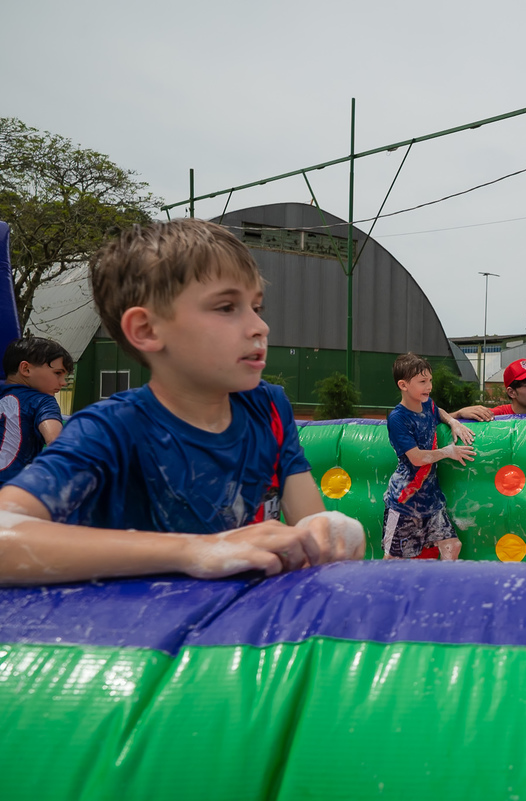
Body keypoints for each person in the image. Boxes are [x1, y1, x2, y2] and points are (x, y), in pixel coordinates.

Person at [0, 219, 363, 587]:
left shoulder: (268, 408)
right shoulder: (112, 429)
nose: (259, 327)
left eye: (256, 307)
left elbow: (309, 528)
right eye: (226, 307)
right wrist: (195, 551)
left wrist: (328, 533)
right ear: (147, 330)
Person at [382, 352, 476, 560]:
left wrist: (453, 421)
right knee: (394, 559)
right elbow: (416, 458)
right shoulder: (398, 418)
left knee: (452, 546)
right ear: (403, 385)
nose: (429, 386)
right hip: (404, 500)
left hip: (430, 498)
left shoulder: (426, 404)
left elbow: (438, 410)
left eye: (430, 380)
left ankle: (442, 590)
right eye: (422, 381)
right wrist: (448, 452)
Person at [0, 336, 74, 486]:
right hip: (13, 491)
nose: (63, 382)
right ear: (26, 369)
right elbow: (57, 442)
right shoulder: (42, 401)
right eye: (58, 373)